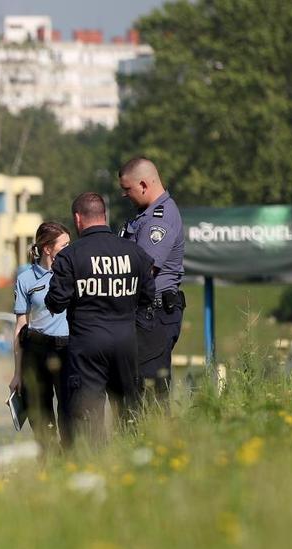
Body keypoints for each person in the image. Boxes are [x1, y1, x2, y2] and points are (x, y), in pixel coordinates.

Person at [45, 192, 156, 446]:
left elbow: (56, 302)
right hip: (127, 342)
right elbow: (149, 295)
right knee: (129, 409)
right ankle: (132, 457)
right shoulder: (134, 252)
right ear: (104, 215)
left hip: (87, 345)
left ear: (77, 218)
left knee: (88, 414)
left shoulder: (70, 256)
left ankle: (96, 465)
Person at [118, 158, 185, 407]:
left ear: (144, 185)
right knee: (135, 392)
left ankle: (157, 441)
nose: (125, 195)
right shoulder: (143, 216)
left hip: (154, 315)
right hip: (144, 315)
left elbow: (142, 271)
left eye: (127, 189)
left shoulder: (160, 218)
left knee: (151, 396)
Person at [9, 222, 72, 449]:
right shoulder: (25, 279)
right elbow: (20, 326)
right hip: (37, 351)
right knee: (41, 416)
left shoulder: (73, 273)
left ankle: (70, 461)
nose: (69, 248)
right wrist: (17, 374)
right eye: (64, 245)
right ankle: (47, 463)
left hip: (67, 350)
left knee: (68, 411)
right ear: (48, 248)